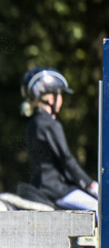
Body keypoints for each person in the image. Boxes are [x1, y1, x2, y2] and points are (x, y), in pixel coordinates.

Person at [21, 66, 98, 212]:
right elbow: (67, 159)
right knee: (97, 208)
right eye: (60, 95)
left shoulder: (33, 123)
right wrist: (91, 185)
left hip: (40, 186)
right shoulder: (49, 124)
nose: (61, 99)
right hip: (55, 189)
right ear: (51, 98)